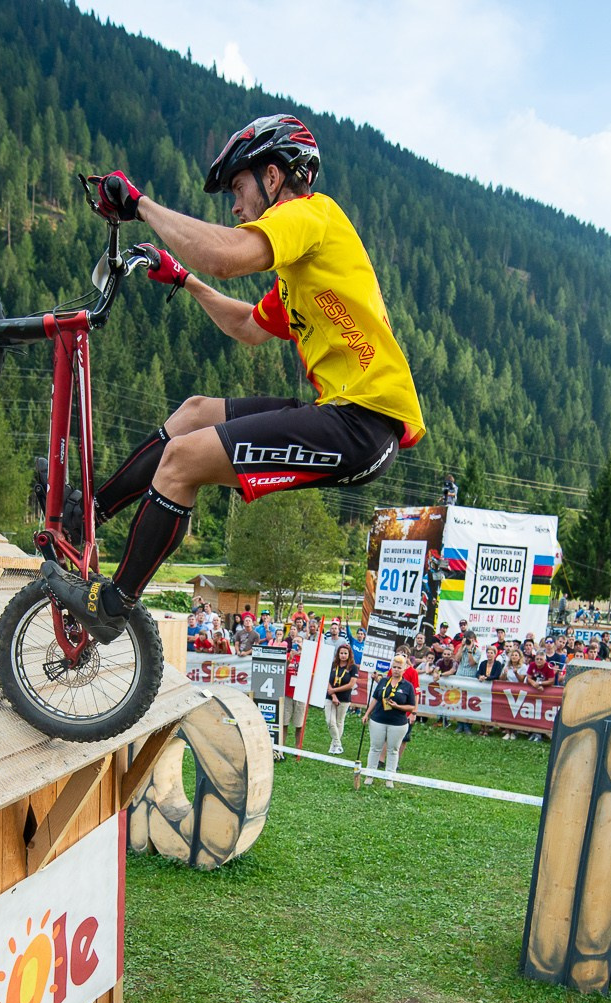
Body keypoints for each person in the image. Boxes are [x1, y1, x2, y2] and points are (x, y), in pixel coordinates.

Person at [54, 117, 423, 638]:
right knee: (195, 413)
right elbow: (248, 325)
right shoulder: (302, 270)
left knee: (182, 462)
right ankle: (93, 510)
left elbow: (226, 256)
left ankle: (112, 604)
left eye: (238, 187)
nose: (235, 204)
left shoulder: (309, 216)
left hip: (364, 426)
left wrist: (140, 205)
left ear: (273, 178)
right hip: (341, 413)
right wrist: (183, 279)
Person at [359, 653, 417, 789]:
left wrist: (398, 706)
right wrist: (367, 713)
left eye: (399, 667)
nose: (396, 670)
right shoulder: (384, 681)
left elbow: (411, 706)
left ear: (404, 669)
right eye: (394, 667)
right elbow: (375, 699)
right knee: (375, 748)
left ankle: (389, 777)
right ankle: (370, 775)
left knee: (393, 750)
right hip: (378, 720)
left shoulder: (408, 686)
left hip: (398, 723)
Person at [323, 642, 358, 755]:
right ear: (338, 654)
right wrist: (332, 694)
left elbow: (351, 684)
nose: (343, 655)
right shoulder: (333, 665)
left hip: (344, 698)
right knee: (330, 720)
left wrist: (335, 691)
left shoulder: (353, 668)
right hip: (330, 697)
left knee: (339, 721)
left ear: (349, 654)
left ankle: (333, 746)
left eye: (345, 653)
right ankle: (338, 744)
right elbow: (327, 680)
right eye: (341, 653)